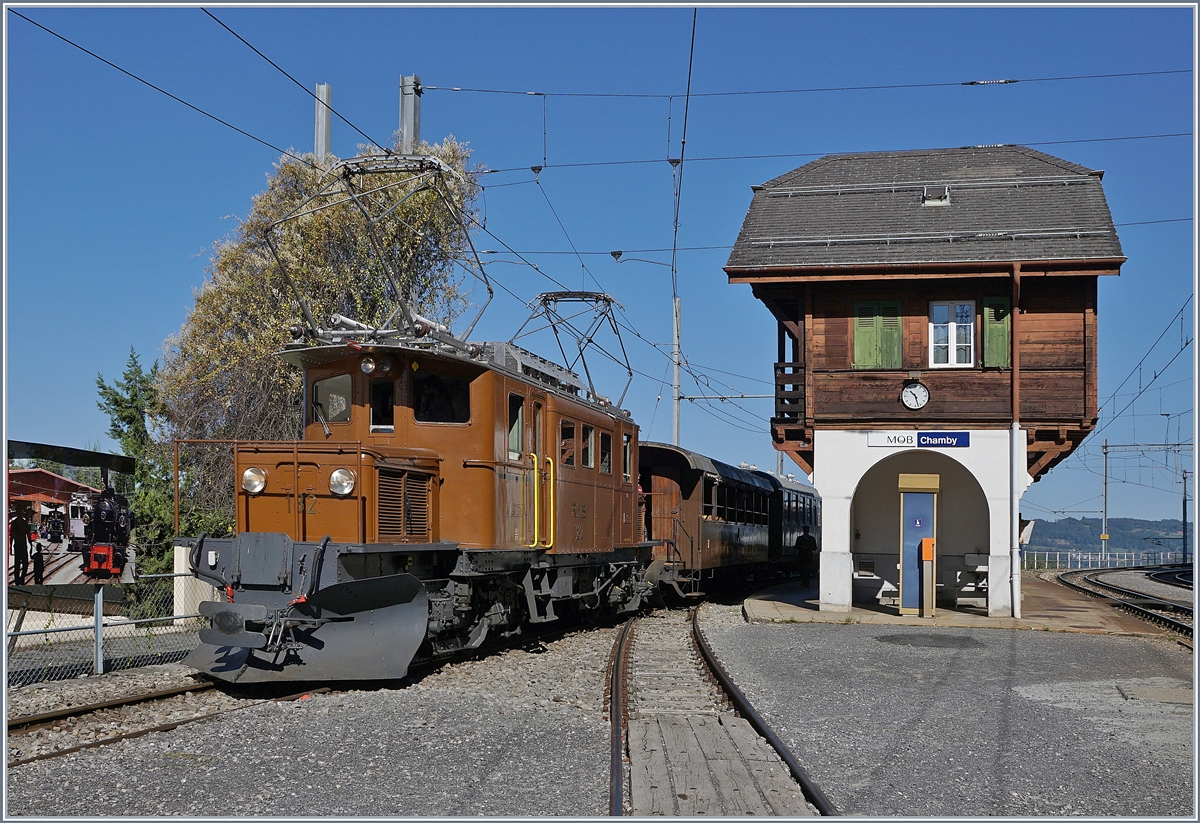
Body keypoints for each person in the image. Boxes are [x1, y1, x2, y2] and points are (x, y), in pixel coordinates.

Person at [10, 510, 30, 586]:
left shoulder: (14, 523)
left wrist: (11, 547)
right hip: (23, 545)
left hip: (17, 545)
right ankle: (22, 578)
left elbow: (12, 536)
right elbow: (28, 535)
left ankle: (17, 581)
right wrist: (30, 544)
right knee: (25, 564)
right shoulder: (24, 523)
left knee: (17, 565)